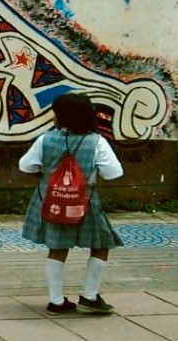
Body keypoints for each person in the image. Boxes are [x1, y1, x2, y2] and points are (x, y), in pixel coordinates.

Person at [19, 93, 123, 315]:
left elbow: (26, 166)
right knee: (101, 245)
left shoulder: (46, 139)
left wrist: (46, 174)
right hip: (86, 204)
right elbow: (114, 172)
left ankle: (56, 302)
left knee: (57, 248)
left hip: (52, 202)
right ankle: (90, 296)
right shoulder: (97, 142)